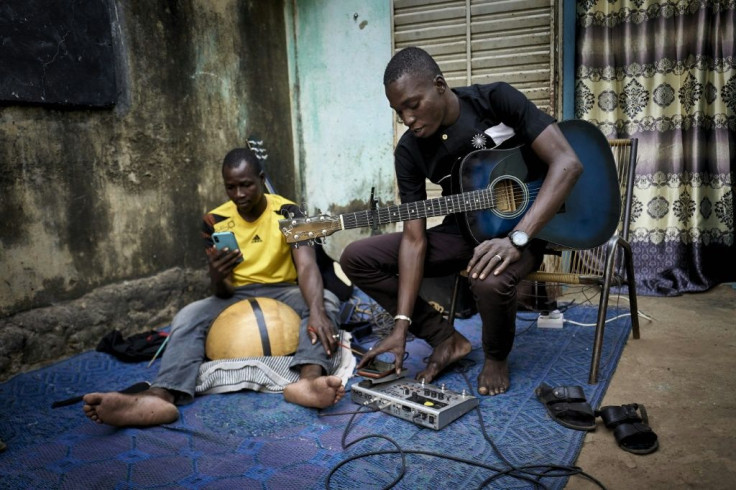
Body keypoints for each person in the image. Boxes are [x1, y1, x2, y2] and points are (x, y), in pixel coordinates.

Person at [339, 46, 583, 396]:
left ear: (439, 85)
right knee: (356, 257)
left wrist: (517, 238)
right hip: (461, 232)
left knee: (487, 279)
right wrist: (401, 325)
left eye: (413, 104)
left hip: (524, 227)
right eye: (398, 111)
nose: (407, 118)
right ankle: (446, 339)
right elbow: (413, 239)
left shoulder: (495, 101)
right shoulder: (409, 151)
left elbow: (567, 163)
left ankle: (497, 356)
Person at [83, 147, 345, 427]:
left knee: (325, 301)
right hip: (236, 294)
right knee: (188, 316)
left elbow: (306, 266)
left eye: (246, 185)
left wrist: (316, 311)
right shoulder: (214, 221)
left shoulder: (288, 211)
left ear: (261, 179)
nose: (239, 194)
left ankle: (308, 381)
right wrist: (218, 277)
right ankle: (160, 396)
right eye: (231, 187)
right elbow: (223, 292)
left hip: (283, 289)